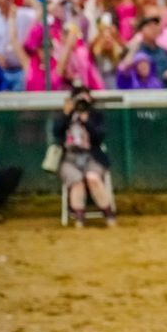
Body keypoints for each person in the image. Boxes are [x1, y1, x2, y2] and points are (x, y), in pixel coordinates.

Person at [54, 84, 116, 227]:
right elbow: (56, 133)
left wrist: (86, 121)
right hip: (69, 158)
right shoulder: (65, 114)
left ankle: (108, 213)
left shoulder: (95, 115)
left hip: (92, 157)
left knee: (92, 178)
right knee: (77, 181)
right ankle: (79, 217)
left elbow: (99, 136)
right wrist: (67, 115)